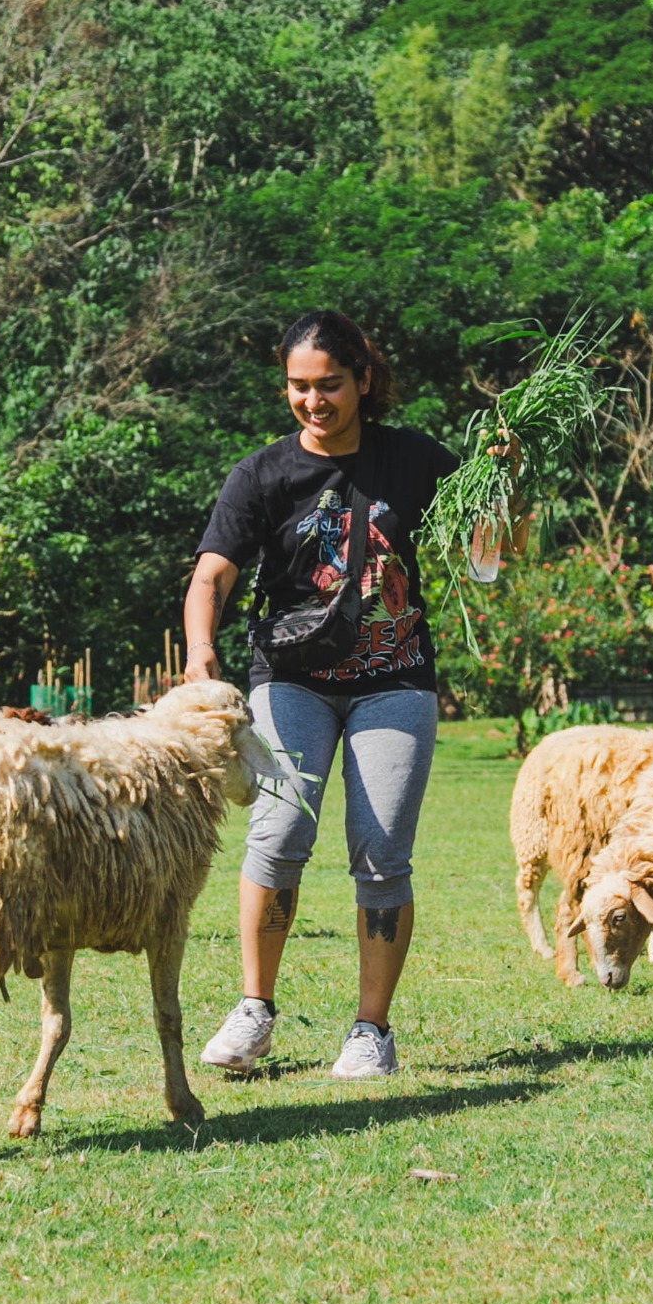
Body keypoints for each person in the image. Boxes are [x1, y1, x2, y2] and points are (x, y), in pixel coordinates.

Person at [182, 312, 458, 1081]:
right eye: (299, 387)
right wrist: (203, 654)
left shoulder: (415, 459)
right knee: (277, 834)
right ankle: (254, 1009)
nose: (314, 401)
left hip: (394, 677)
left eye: (329, 385)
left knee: (381, 854)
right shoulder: (261, 475)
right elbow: (212, 576)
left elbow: (489, 547)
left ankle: (371, 1032)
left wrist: (501, 485)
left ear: (363, 379)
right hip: (291, 678)